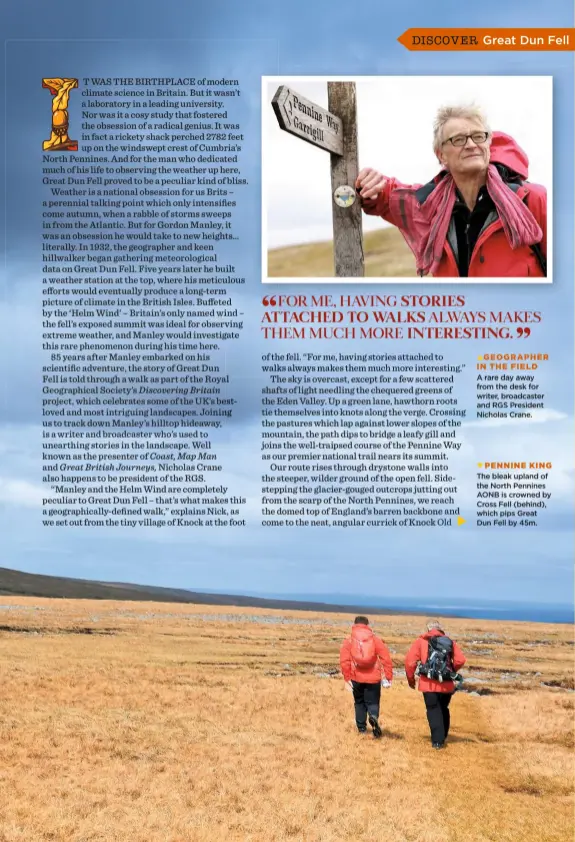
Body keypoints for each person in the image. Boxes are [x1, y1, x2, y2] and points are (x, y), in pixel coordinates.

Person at [356, 104, 547, 278]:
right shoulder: (432, 206)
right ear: (441, 155)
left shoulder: (532, 199)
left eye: (478, 136)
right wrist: (373, 185)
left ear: (488, 144)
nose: (471, 145)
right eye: (459, 139)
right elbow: (389, 196)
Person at [404, 620, 466, 750]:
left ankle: (437, 741)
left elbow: (410, 662)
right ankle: (443, 736)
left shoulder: (421, 641)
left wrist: (411, 680)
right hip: (447, 684)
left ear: (428, 629)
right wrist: (451, 671)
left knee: (433, 709)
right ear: (441, 629)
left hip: (428, 684)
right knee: (443, 708)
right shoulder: (449, 641)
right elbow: (461, 660)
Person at [339, 616, 393, 738]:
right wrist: (388, 677)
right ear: (367, 624)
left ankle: (362, 728)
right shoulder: (375, 639)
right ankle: (373, 716)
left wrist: (347, 678)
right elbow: (386, 658)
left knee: (359, 702)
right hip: (373, 677)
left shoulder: (349, 640)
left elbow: (344, 661)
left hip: (356, 677)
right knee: (373, 701)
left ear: (354, 624)